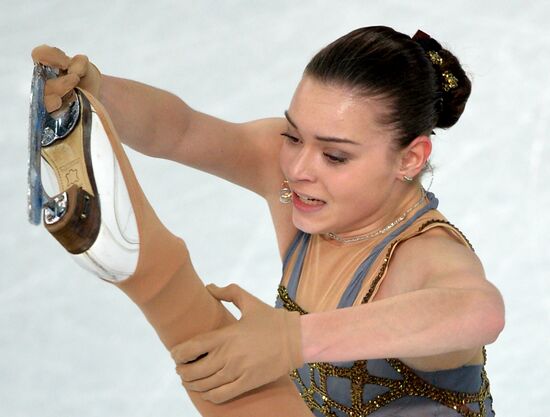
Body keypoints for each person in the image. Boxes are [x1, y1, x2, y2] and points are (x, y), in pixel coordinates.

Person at [31, 26, 504, 417]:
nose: (299, 168)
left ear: (410, 159)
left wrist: (293, 339)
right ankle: (159, 276)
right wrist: (98, 89)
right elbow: (181, 130)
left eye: (335, 155)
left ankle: (159, 275)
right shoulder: (291, 177)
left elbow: (481, 312)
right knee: (224, 365)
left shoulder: (423, 254)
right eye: (293, 135)